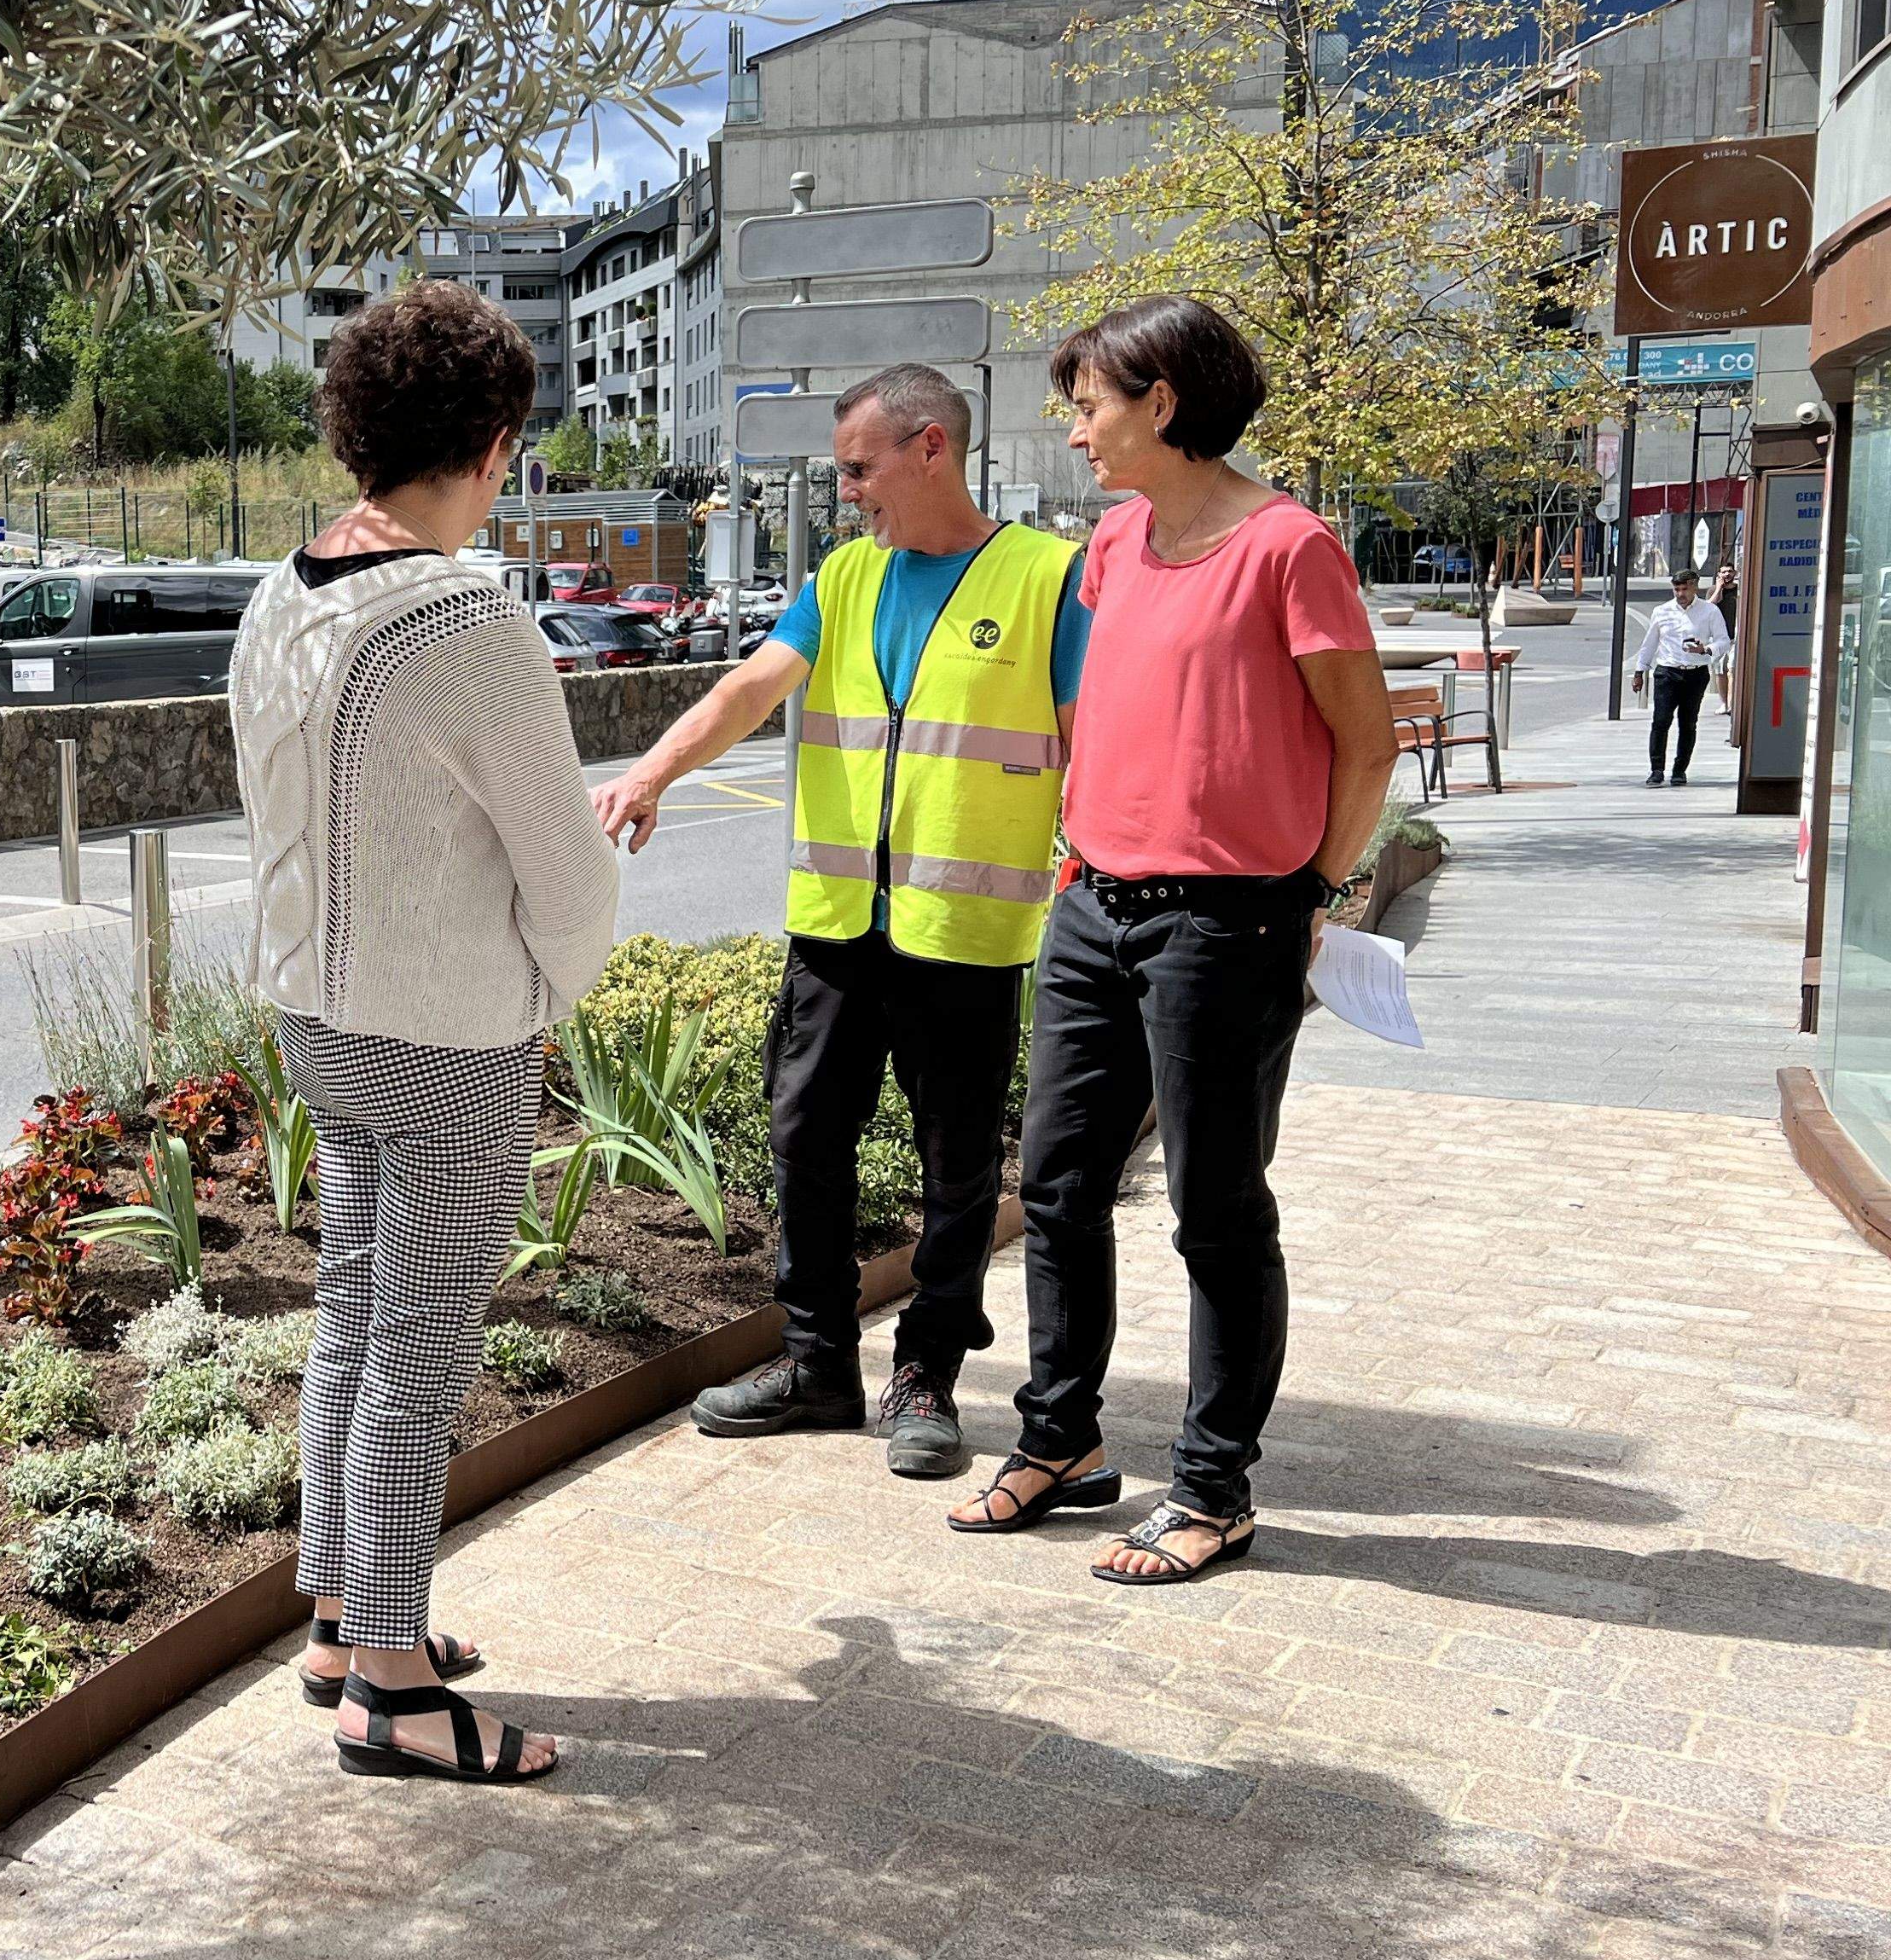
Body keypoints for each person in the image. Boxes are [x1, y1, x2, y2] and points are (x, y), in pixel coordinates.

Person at [231, 279, 619, 1784]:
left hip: (316, 1013)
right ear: (495, 442)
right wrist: (550, 990)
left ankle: (337, 1610)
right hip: (448, 1031)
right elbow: (565, 871)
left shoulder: (282, 589)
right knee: (419, 1345)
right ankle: (390, 1682)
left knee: (349, 1307)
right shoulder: (465, 619)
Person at [952, 296, 1394, 1586]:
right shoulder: (1114, 543)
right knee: (1058, 1187)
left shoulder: (1288, 546)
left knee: (1214, 1210)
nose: (1077, 428)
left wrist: (1310, 887)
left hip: (1228, 918)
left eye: (1092, 403)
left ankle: (1213, 1489)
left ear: (1165, 404)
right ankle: (1064, 1444)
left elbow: (1365, 744)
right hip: (1092, 902)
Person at [591, 366, 1088, 1479]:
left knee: (958, 1167)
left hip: (964, 933)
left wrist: (1103, 874)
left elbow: (1087, 737)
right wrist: (653, 772)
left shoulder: (1049, 579)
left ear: (930, 450)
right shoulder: (845, 576)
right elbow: (749, 690)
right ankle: (819, 1363)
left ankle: (927, 1371)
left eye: (860, 467)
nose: (848, 488)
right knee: (804, 1137)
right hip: (837, 925)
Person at [1634, 567, 1731, 786]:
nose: (1680, 594)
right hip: (1667, 672)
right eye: (1676, 589)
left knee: (1688, 723)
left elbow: (1723, 641)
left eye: (1684, 589)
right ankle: (1656, 770)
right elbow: (1649, 644)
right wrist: (1640, 671)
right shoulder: (1662, 611)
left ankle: (1680, 770)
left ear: (1695, 587)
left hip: (1695, 674)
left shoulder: (1709, 611)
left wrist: (1705, 649)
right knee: (1660, 722)